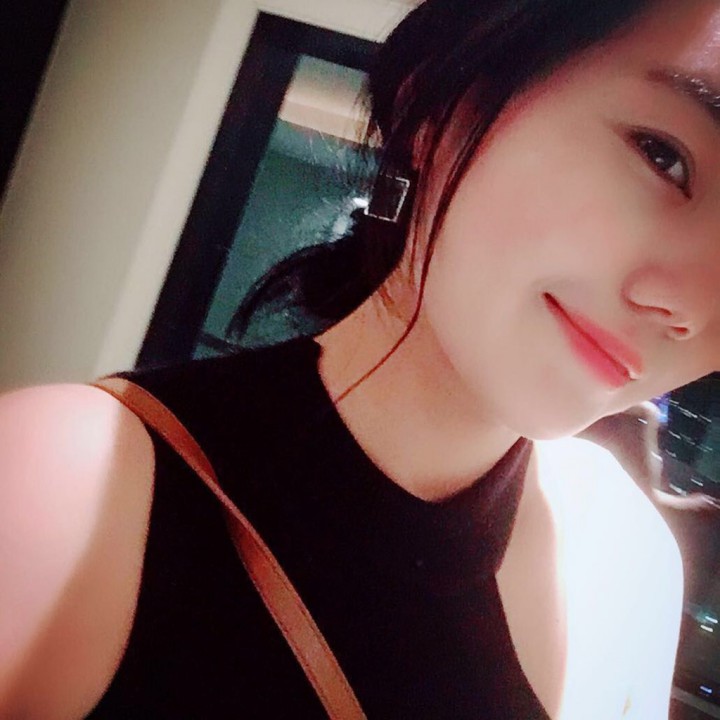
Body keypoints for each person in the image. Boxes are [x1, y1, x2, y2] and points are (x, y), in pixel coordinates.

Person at [2, 0, 719, 716]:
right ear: (445, 103)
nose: (689, 307)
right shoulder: (62, 486)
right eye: (664, 157)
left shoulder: (626, 566)